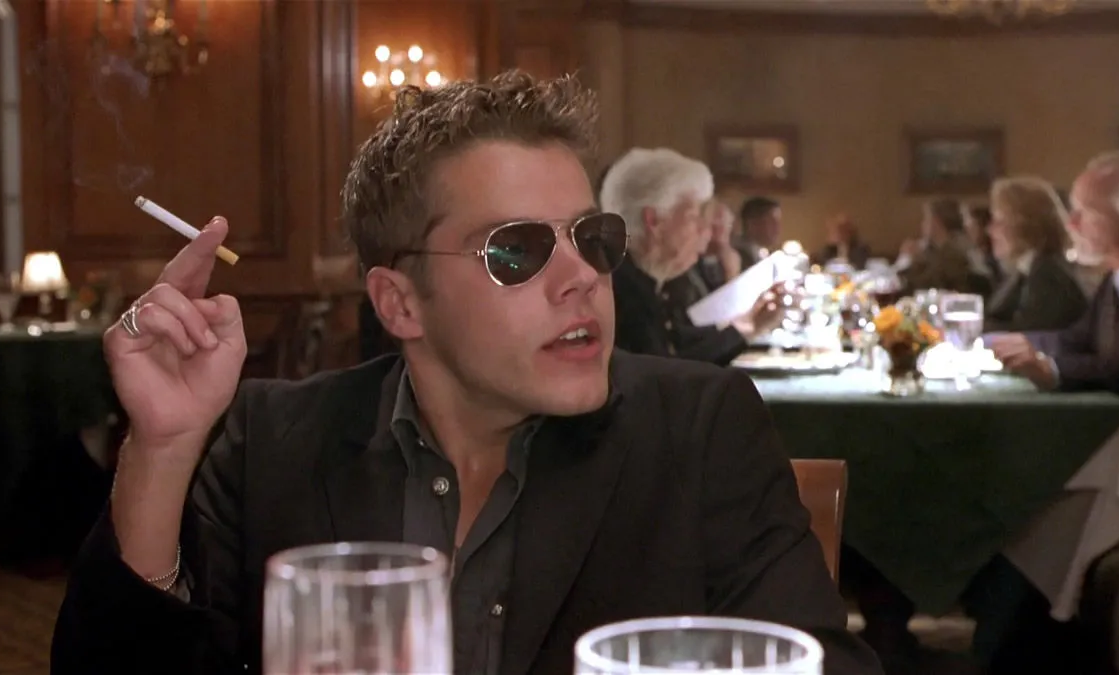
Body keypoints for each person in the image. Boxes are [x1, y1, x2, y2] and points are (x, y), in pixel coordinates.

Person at [51, 71, 883, 675]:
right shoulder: (274, 440)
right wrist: (162, 450)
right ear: (401, 302)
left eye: (592, 238)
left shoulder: (699, 429)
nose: (582, 277)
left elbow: (824, 662)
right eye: (516, 250)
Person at [989, 149, 1119, 522]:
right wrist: (1004, 344)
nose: (1072, 224)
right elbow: (1075, 339)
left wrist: (1050, 368)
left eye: (1086, 213)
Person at [601, 148, 782, 366]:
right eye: (694, 217)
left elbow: (681, 345)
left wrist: (750, 323)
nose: (704, 229)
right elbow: (667, 373)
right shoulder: (616, 294)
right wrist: (748, 327)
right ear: (653, 221)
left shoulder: (641, 278)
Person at [982, 176, 1087, 332]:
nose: (990, 230)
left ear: (1026, 225)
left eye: (999, 221)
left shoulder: (1049, 277)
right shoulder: (1029, 269)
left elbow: (1027, 335)